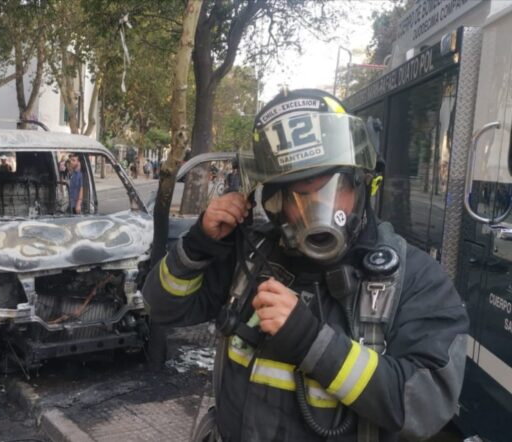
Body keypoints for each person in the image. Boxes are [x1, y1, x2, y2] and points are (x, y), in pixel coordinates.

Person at [142, 89, 468, 441]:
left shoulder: (412, 279)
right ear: (276, 201)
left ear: (359, 183)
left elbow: (425, 406)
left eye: (330, 188)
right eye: (298, 195)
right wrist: (199, 244)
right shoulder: (253, 256)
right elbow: (161, 308)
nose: (315, 210)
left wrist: (310, 341)